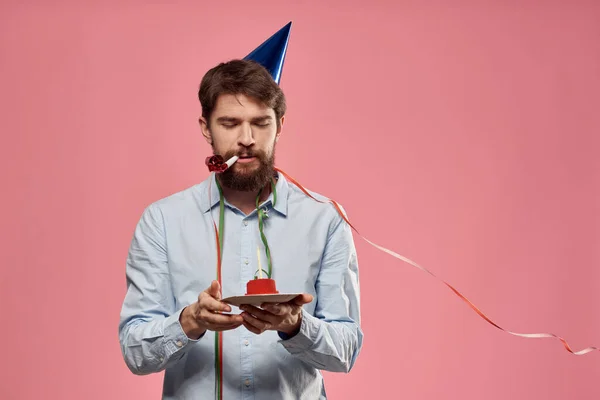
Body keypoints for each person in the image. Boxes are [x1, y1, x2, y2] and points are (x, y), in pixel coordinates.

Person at [118, 23, 363, 399]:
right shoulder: (162, 221)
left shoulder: (325, 219)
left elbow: (345, 350)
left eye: (260, 123)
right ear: (206, 128)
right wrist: (189, 322)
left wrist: (295, 326)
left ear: (280, 125)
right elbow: (135, 352)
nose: (246, 139)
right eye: (230, 123)